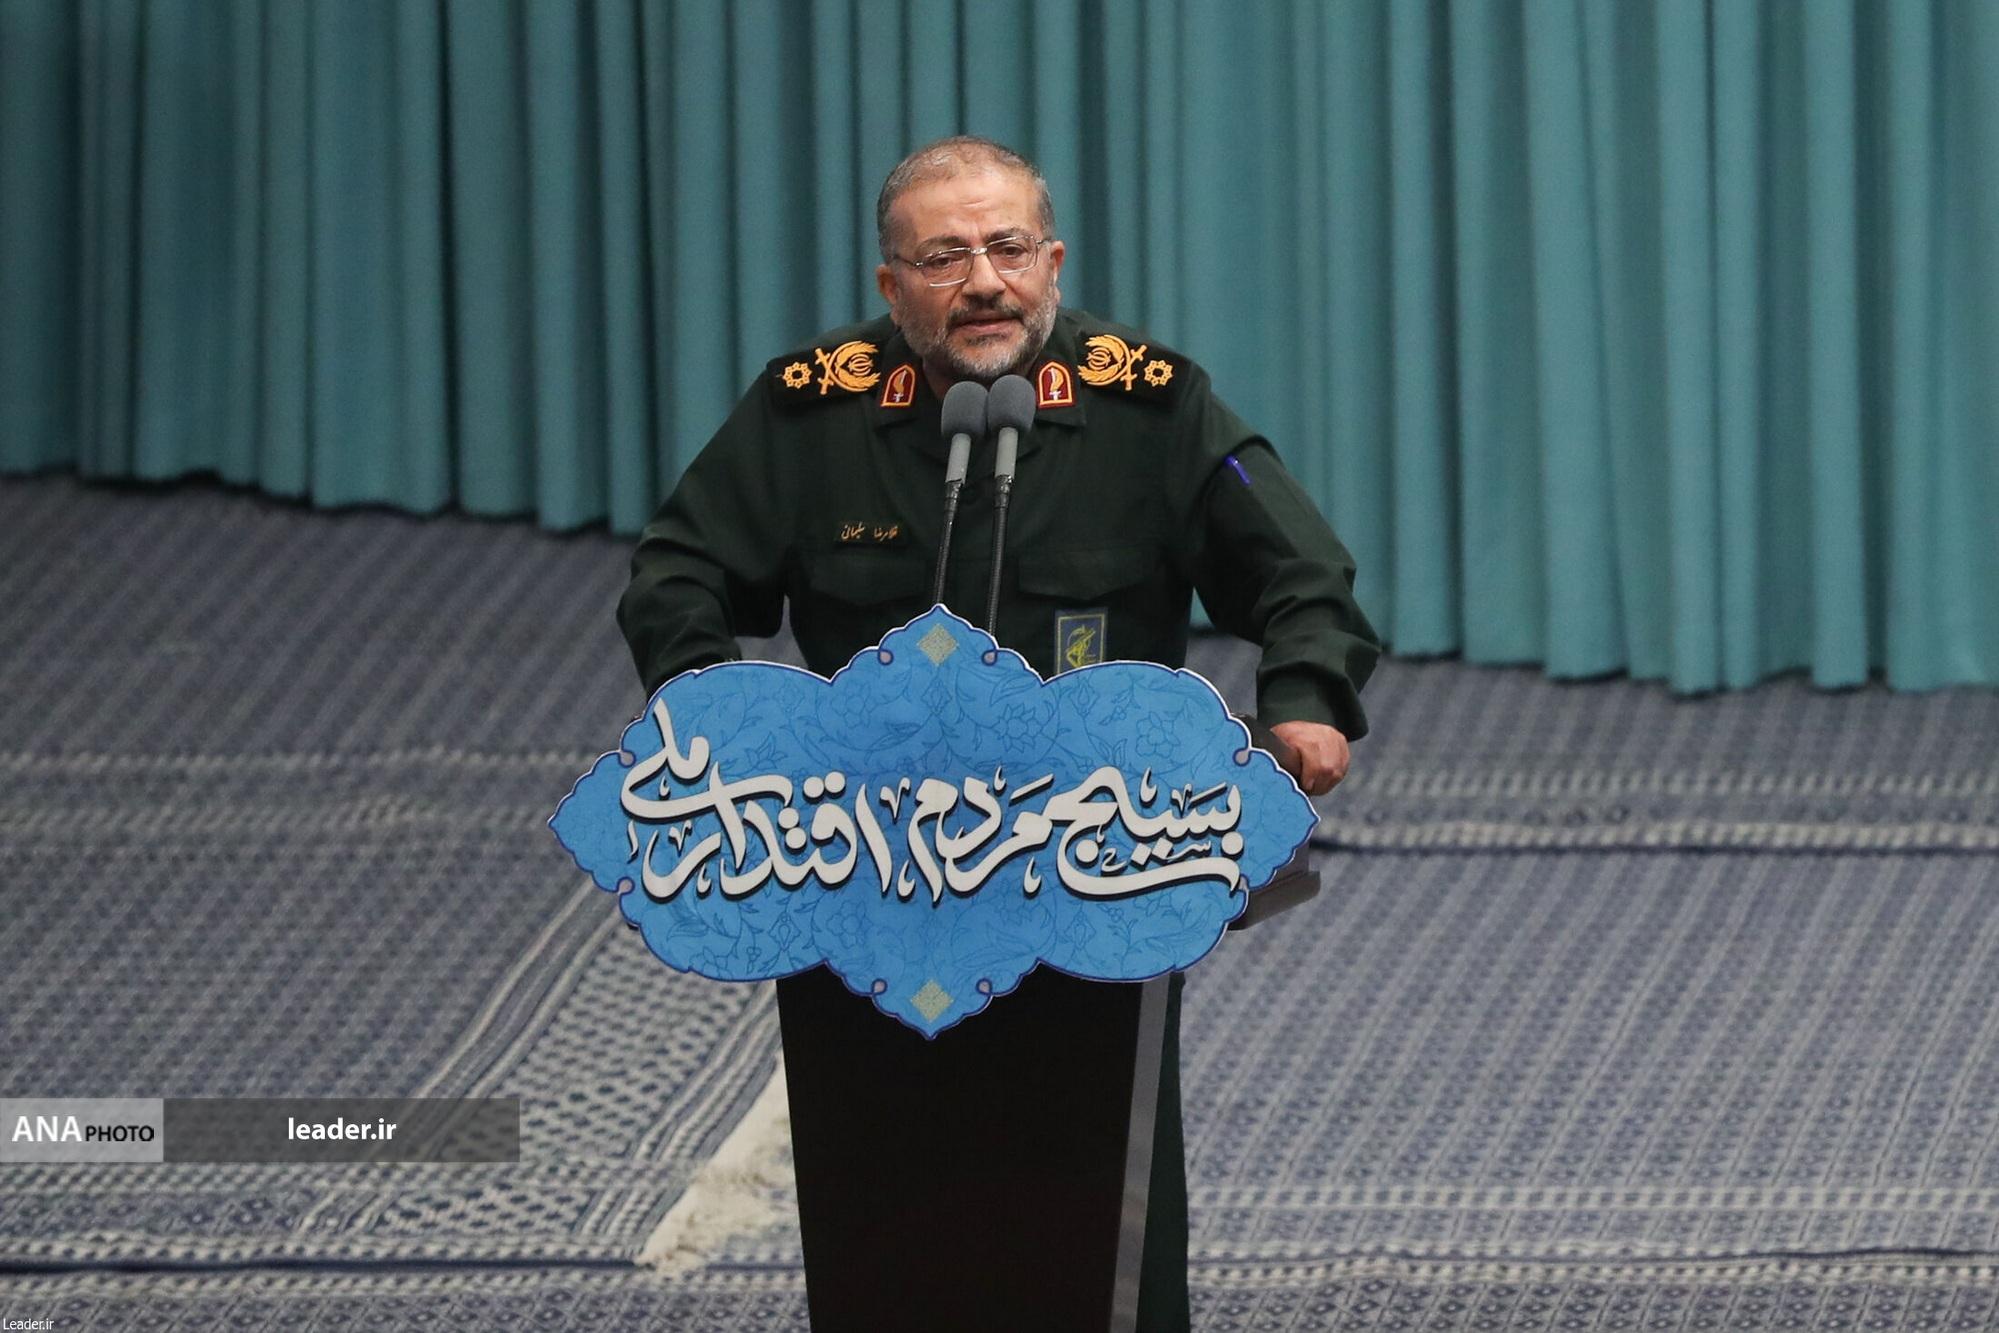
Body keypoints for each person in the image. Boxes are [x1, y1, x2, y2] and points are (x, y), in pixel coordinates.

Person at [619, 136, 1379, 1332]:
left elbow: (1302, 572)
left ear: (1052, 262)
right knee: (891, 1191)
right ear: (892, 287)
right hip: (870, 855)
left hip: (1092, 854)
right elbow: (678, 572)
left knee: (1093, 1203)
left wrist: (1307, 696)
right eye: (945, 257)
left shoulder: (1150, 406)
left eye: (1008, 249)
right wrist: (713, 713)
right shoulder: (810, 411)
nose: (984, 281)